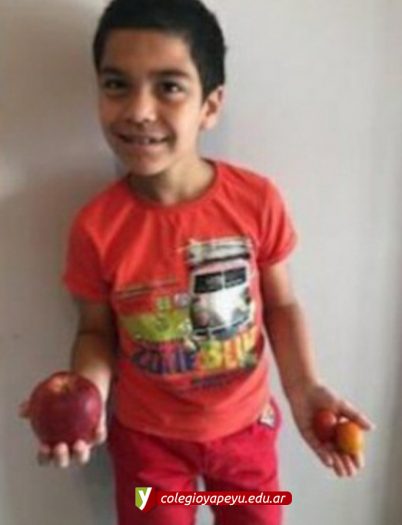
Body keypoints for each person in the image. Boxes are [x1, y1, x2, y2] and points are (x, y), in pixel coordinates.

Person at [20, 0, 375, 524]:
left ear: (210, 105)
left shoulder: (256, 201)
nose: (139, 110)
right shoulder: (95, 228)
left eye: (168, 86)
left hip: (248, 434)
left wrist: (304, 391)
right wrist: (86, 393)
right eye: (117, 84)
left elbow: (281, 305)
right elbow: (95, 332)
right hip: (149, 451)